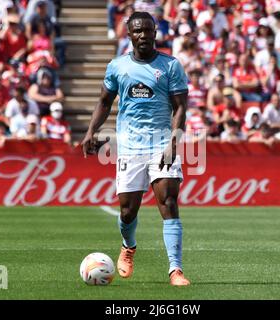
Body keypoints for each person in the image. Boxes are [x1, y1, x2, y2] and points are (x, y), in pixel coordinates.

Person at [81, 12, 190, 286]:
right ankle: (128, 247)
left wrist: (173, 142)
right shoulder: (118, 66)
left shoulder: (170, 66)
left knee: (168, 202)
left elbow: (180, 107)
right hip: (129, 148)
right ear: (129, 35)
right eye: (137, 31)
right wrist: (91, 131)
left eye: (147, 30)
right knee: (128, 212)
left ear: (155, 32)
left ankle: (175, 269)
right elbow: (104, 102)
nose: (143, 35)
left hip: (162, 145)